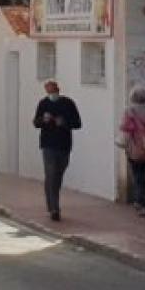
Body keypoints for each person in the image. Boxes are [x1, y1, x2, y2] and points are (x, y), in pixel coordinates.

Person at [32, 80, 81, 222]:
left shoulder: (68, 103)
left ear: (58, 90)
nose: (51, 94)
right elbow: (36, 122)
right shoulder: (43, 104)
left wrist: (64, 123)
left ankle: (52, 201)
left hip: (64, 144)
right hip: (48, 144)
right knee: (51, 173)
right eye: (49, 92)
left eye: (53, 91)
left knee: (57, 174)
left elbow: (78, 123)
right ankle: (54, 208)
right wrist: (43, 120)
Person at [119, 87, 145, 217]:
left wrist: (123, 142)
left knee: (137, 175)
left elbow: (125, 128)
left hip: (134, 147)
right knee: (142, 174)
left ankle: (140, 203)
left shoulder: (129, 112)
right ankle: (141, 201)